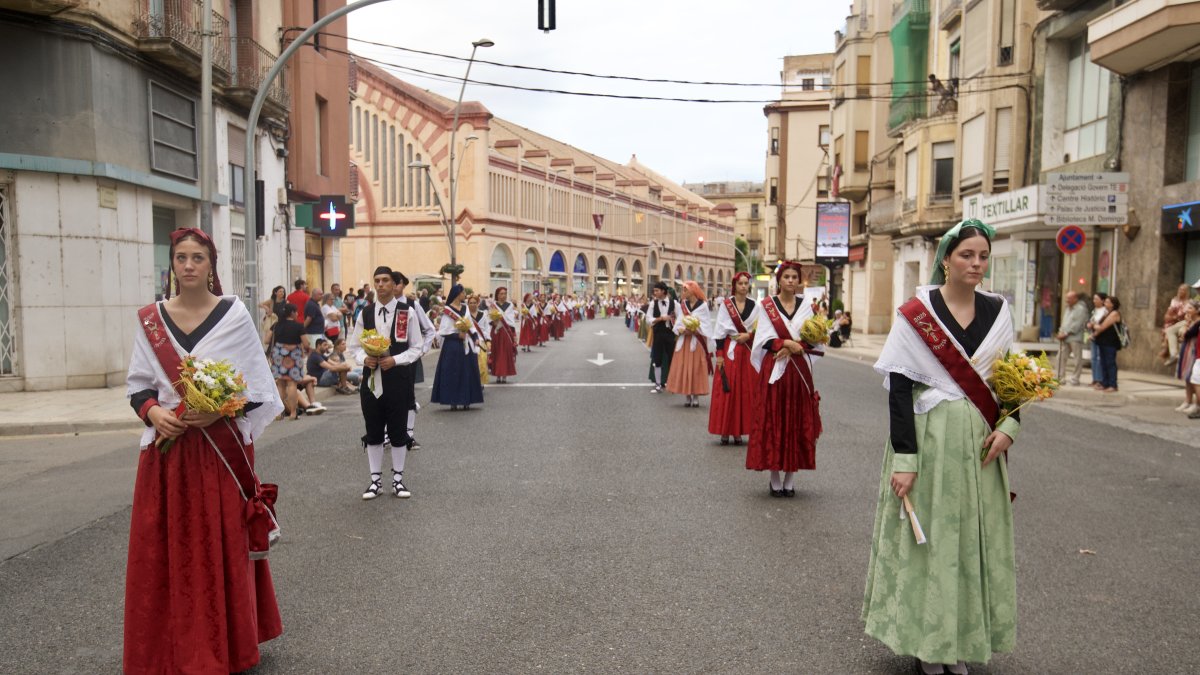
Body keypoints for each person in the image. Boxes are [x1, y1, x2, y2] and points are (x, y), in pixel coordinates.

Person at [124, 228, 283, 674]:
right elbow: (138, 388)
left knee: (221, 543)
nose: (189, 265)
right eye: (181, 258)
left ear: (212, 264)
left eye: (198, 257)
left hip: (218, 453)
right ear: (172, 265)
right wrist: (155, 414)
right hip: (168, 457)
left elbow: (258, 388)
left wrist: (219, 412)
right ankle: (168, 644)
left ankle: (224, 643)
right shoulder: (150, 320)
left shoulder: (234, 315)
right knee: (167, 548)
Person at [863, 220, 1019, 675]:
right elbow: (898, 390)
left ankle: (963, 639)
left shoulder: (998, 311)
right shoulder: (918, 313)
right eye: (967, 255)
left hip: (980, 445)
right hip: (929, 441)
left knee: (972, 541)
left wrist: (1011, 427)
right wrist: (906, 459)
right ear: (947, 258)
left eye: (983, 256)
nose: (976, 264)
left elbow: (1013, 381)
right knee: (930, 543)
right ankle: (929, 643)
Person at [346, 266, 425, 500]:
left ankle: (398, 479)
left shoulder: (406, 312)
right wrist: (364, 359)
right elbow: (353, 346)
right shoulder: (366, 313)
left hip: (398, 379)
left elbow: (417, 346)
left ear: (394, 284)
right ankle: (375, 481)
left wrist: (396, 359)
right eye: (377, 281)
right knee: (373, 430)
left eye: (385, 281)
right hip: (371, 381)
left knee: (398, 430)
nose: (380, 285)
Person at [747, 262, 824, 498]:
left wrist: (793, 347)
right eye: (787, 277)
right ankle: (774, 478)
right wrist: (785, 343)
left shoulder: (807, 308)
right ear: (779, 280)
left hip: (799, 371)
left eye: (794, 277)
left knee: (796, 421)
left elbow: (814, 339)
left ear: (799, 281)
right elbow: (763, 340)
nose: (791, 280)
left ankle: (790, 478)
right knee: (774, 419)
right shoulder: (767, 306)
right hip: (776, 370)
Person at [709, 272, 760, 445]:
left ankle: (739, 432)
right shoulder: (726, 305)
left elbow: (760, 329)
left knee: (744, 392)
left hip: (747, 352)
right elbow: (720, 332)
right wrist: (720, 356)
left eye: (746, 283)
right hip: (730, 352)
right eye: (741, 283)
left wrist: (749, 335)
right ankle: (725, 430)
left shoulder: (755, 306)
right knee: (727, 390)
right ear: (735, 285)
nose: (744, 286)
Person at [430, 285, 485, 409]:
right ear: (457, 294)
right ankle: (453, 401)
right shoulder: (447, 311)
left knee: (467, 372)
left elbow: (470, 325)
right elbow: (443, 330)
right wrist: (457, 336)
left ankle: (466, 400)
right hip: (452, 346)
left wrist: (475, 337)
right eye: (463, 292)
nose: (465, 294)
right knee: (452, 372)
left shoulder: (465, 308)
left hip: (466, 344)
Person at [666, 280, 713, 407]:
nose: (683, 292)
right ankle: (687, 395)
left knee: (696, 367)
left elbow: (706, 323)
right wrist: (681, 329)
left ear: (693, 290)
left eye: (685, 289)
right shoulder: (683, 305)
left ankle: (696, 395)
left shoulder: (703, 305)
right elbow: (680, 321)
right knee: (684, 366)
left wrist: (695, 329)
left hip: (697, 341)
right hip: (685, 340)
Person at [267, 303, 306, 420]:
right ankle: (293, 413)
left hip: (278, 354)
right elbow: (306, 343)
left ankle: (278, 413)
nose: (297, 314)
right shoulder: (299, 326)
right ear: (292, 313)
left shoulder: (276, 325)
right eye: (296, 311)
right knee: (292, 384)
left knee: (280, 384)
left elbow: (266, 340)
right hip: (294, 355)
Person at [646, 281, 677, 393]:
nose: (654, 293)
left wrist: (673, 320)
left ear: (663, 291)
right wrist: (660, 319)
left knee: (671, 359)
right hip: (658, 333)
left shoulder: (675, 303)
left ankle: (671, 383)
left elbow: (680, 319)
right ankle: (658, 384)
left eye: (656, 290)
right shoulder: (653, 304)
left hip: (670, 333)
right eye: (654, 291)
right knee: (657, 359)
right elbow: (648, 319)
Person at [1055, 291, 1090, 386]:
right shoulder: (1067, 308)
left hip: (1075, 337)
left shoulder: (1080, 309)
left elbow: (1077, 324)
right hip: (1064, 337)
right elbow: (1065, 321)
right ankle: (1060, 377)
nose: (1067, 300)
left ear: (1075, 299)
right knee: (1060, 357)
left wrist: (1066, 333)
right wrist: (1061, 331)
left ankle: (1075, 379)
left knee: (1077, 359)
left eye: (1069, 298)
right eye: (1066, 298)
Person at [1172, 302, 1200, 415]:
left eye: (1190, 308)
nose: (1187, 310)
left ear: (1197, 310)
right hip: (1188, 349)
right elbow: (1181, 335)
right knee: (1188, 378)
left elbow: (1186, 335)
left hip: (1194, 351)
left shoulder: (1197, 322)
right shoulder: (1190, 322)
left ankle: (1196, 404)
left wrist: (1187, 325)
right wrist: (1187, 323)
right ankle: (1187, 401)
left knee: (1194, 379)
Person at [1091, 295, 1123, 393]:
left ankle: (1113, 384)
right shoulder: (1106, 313)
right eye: (1105, 302)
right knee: (1103, 362)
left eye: (1108, 302)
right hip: (1103, 341)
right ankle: (1105, 383)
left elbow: (1102, 327)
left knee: (1110, 363)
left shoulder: (1114, 314)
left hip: (1110, 342)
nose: (1105, 303)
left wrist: (1095, 326)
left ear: (1113, 304)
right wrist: (1094, 333)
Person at [489, 287, 519, 382]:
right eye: (501, 294)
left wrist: (514, 334)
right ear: (497, 295)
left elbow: (511, 320)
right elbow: (489, 318)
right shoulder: (493, 305)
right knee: (497, 352)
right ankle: (497, 374)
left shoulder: (509, 305)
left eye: (505, 293)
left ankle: (505, 374)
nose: (503, 296)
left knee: (506, 353)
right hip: (497, 331)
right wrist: (494, 322)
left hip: (507, 332)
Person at [1162, 283, 1194, 366]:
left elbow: (1190, 316)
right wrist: (1175, 317)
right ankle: (1173, 354)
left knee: (1181, 333)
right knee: (1169, 331)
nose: (1180, 291)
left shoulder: (1190, 302)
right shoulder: (1174, 301)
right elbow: (1167, 316)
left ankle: (1173, 354)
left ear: (1187, 292)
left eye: (1183, 290)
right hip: (1176, 323)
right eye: (1180, 289)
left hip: (1187, 323)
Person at [467, 294, 493, 386]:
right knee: (471, 364)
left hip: (481, 341)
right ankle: (472, 383)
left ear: (478, 303)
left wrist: (488, 340)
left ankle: (481, 383)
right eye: (470, 303)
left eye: (474, 302)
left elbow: (487, 328)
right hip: (469, 341)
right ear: (468, 304)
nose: (473, 304)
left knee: (482, 363)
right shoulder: (466, 315)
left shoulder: (483, 314)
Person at [1085, 292, 1109, 388]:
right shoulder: (1094, 311)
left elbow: (1103, 325)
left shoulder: (1105, 312)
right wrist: (1089, 325)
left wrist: (1094, 325)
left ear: (1102, 301)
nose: (1094, 301)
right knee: (1094, 358)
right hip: (1093, 336)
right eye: (1094, 299)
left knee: (1099, 358)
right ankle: (1095, 378)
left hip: (1101, 337)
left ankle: (1100, 379)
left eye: (1096, 299)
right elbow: (1091, 321)